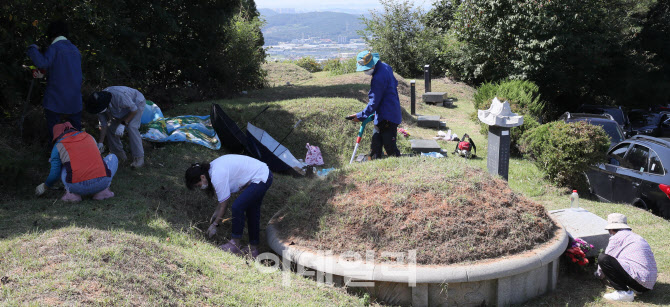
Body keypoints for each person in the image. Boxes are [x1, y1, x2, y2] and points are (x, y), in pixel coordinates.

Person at [184, 155, 273, 258]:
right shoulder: (212, 170)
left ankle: (235, 244)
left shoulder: (216, 175)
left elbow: (224, 205)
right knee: (252, 212)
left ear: (202, 177)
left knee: (237, 207)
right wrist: (216, 214)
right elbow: (222, 200)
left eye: (198, 185)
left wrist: (215, 224)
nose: (200, 188)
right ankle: (253, 249)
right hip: (262, 174)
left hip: (261, 177)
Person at [26, 20, 83, 141]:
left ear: (51, 34)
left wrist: (33, 49)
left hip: (56, 97)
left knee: (55, 132)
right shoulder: (75, 49)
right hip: (75, 100)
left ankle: (57, 155)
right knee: (76, 133)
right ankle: (75, 156)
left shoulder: (55, 48)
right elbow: (67, 70)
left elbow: (42, 63)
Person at [35, 122, 117, 202]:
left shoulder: (58, 146)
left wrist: (45, 186)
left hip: (77, 187)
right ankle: (102, 191)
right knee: (113, 157)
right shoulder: (89, 136)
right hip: (102, 182)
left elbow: (55, 174)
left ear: (57, 135)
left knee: (63, 165)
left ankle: (72, 194)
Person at [347, 50, 402, 159]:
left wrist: (361, 116)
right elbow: (395, 83)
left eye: (366, 69)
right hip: (385, 112)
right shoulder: (385, 66)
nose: (365, 71)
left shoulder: (378, 78)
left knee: (389, 147)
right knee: (375, 145)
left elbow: (374, 101)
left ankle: (398, 165)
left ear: (372, 65)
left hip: (388, 116)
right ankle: (375, 160)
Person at [595, 213, 657, 302]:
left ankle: (623, 293)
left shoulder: (616, 238)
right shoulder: (636, 237)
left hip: (640, 282)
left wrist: (598, 275)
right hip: (649, 283)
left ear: (611, 229)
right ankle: (635, 288)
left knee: (603, 258)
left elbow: (607, 259)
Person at [85, 86, 146, 168]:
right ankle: (119, 156)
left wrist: (123, 124)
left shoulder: (119, 97)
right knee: (111, 128)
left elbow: (134, 110)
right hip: (121, 109)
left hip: (136, 103)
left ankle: (139, 158)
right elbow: (104, 125)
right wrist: (100, 143)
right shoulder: (98, 104)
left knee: (132, 127)